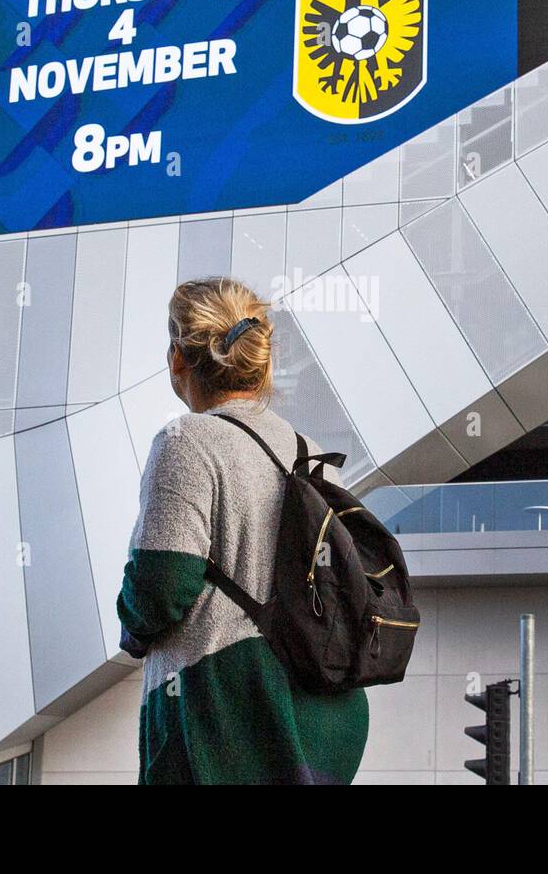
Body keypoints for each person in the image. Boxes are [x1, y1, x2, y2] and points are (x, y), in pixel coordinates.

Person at [117, 277, 369, 785]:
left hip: (229, 713)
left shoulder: (185, 440)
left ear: (176, 358)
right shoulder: (311, 452)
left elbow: (161, 586)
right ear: (260, 360)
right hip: (325, 716)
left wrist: (131, 623)